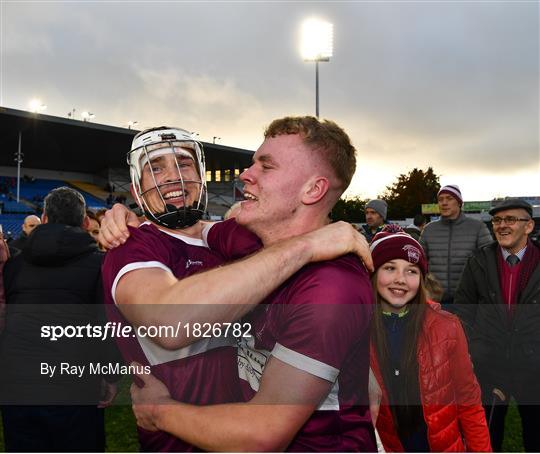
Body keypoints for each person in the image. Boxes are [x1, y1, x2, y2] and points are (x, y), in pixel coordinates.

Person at [100, 120, 375, 451]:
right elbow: (169, 320)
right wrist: (309, 244)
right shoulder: (132, 247)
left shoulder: (237, 239)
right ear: (135, 188)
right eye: (155, 168)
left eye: (184, 162)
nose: (173, 176)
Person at [0, 187, 120, 452]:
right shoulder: (100, 265)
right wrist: (111, 376)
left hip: (18, 388)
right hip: (74, 389)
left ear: (43, 219)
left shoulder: (14, 266)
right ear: (86, 222)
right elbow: (108, 327)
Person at [367, 226, 491, 452]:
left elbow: (469, 401)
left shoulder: (446, 327)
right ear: (373, 273)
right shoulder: (356, 330)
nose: (400, 279)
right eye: (390, 268)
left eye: (411, 271)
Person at [453, 198, 539, 452]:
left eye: (510, 219)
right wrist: (473, 350)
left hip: (534, 368)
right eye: (497, 220)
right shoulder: (479, 260)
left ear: (529, 226)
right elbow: (463, 310)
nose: (501, 225)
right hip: (489, 366)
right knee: (486, 437)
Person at [419, 184, 492, 309]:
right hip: (435, 300)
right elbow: (419, 261)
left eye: (449, 198)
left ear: (459, 203)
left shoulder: (478, 227)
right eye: (440, 199)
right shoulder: (429, 230)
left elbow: (489, 261)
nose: (444, 203)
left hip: (468, 300)